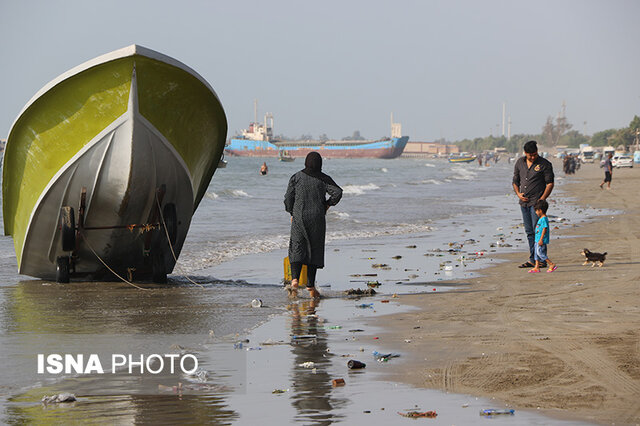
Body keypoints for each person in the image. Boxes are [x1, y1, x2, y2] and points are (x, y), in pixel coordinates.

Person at [284, 152, 342, 298]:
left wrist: (291, 212)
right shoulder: (323, 178)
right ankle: (310, 286)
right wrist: (328, 204)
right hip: (317, 218)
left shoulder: (296, 177)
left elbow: (288, 198)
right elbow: (337, 192)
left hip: (299, 217)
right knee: (313, 250)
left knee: (297, 246)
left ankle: (295, 280)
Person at [512, 140, 554, 269]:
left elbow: (550, 183)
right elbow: (515, 181)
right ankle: (533, 259)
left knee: (539, 231)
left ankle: (541, 259)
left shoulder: (544, 164)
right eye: (530, 155)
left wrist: (542, 199)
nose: (533, 157)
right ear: (525, 153)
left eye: (535, 154)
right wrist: (518, 194)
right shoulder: (520, 163)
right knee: (529, 232)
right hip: (524, 203)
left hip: (537, 204)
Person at [528, 199, 557, 273]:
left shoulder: (544, 219)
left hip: (541, 240)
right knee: (536, 254)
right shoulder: (541, 218)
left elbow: (544, 229)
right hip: (537, 239)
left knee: (540, 253)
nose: (536, 212)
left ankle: (551, 264)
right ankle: (536, 267)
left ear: (540, 210)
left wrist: (541, 239)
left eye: (536, 210)